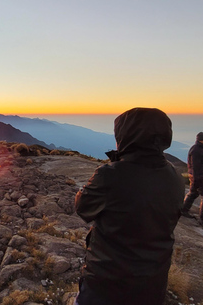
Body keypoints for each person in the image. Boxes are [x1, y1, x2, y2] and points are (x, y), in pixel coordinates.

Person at [74, 108, 185, 305]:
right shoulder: (175, 176)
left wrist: (114, 166)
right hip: (153, 283)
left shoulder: (111, 175)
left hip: (107, 282)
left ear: (126, 137)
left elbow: (82, 207)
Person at [181, 132, 203, 224]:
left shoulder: (197, 148)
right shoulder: (197, 150)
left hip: (197, 176)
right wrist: (197, 179)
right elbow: (196, 166)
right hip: (200, 177)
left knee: (193, 193)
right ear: (202, 140)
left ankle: (183, 210)